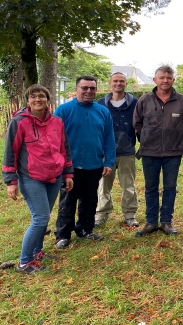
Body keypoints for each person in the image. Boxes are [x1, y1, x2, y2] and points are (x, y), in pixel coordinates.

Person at [2, 85, 74, 274]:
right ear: (27, 101)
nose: (37, 100)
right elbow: (11, 152)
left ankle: (37, 252)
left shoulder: (57, 122)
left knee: (45, 216)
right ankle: (24, 262)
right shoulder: (19, 123)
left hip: (54, 176)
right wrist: (11, 181)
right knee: (40, 218)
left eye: (41, 96)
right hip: (31, 177)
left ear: (47, 100)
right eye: (33, 97)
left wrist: (67, 173)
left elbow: (64, 149)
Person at [53, 76, 116, 249]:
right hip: (70, 167)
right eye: (85, 88)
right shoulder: (63, 110)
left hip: (94, 164)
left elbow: (109, 138)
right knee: (67, 201)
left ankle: (85, 230)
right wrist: (61, 164)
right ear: (77, 89)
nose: (89, 91)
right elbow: (54, 139)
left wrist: (109, 161)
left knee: (90, 199)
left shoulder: (102, 112)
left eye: (92, 88)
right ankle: (63, 235)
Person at [133, 65, 183, 236]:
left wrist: (174, 137)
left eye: (169, 77)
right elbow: (137, 124)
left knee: (170, 187)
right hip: (149, 152)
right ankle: (151, 222)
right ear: (155, 80)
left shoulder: (182, 101)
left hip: (173, 153)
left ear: (173, 80)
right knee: (150, 188)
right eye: (162, 77)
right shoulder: (144, 100)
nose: (165, 80)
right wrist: (147, 138)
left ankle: (166, 222)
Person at [94, 72, 139, 228]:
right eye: (115, 81)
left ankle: (130, 214)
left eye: (121, 81)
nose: (118, 84)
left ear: (126, 84)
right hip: (106, 154)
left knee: (129, 186)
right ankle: (101, 214)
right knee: (103, 186)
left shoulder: (135, 103)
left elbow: (140, 125)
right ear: (110, 83)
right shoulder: (100, 104)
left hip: (127, 151)